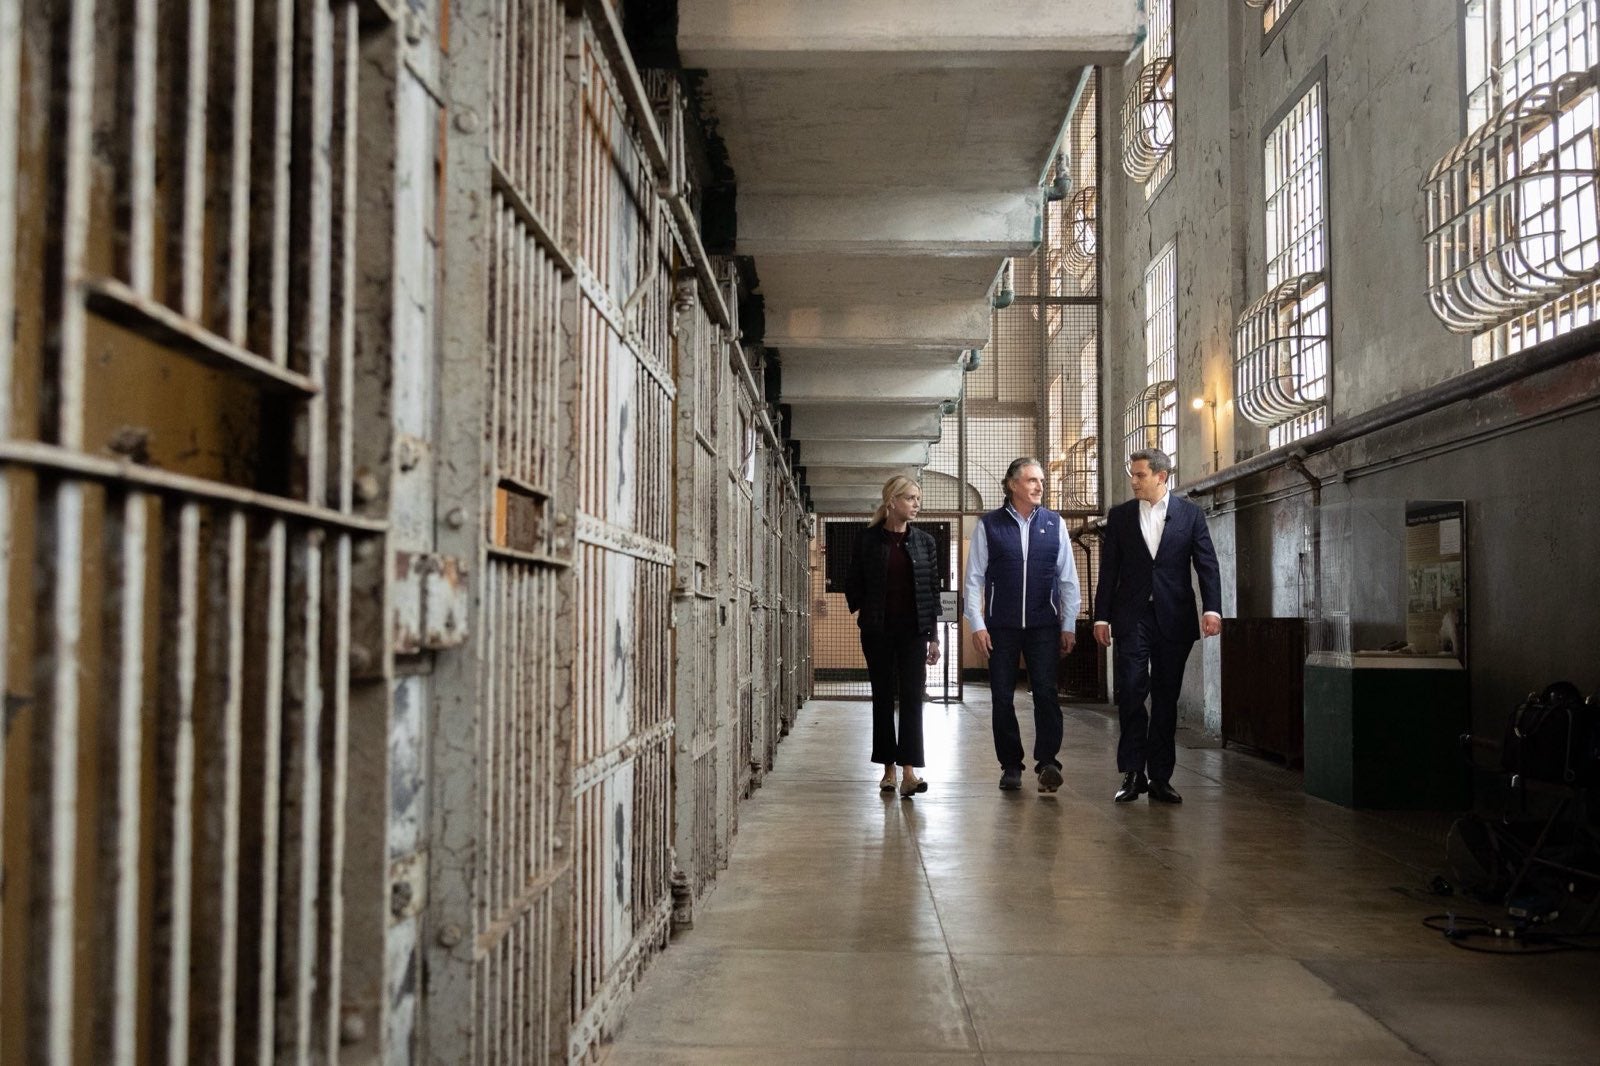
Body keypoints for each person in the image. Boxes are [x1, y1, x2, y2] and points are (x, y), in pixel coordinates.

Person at [1092, 448, 1222, 804]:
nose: (1133, 482)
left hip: (1174, 617)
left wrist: (1213, 609)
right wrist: (1101, 616)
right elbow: (1109, 572)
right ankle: (1133, 773)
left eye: (1140, 475)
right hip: (1132, 617)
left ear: (1162, 477)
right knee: (1132, 690)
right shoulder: (1119, 517)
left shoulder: (1190, 516)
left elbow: (1206, 564)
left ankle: (1161, 777)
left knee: (1166, 696)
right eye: (1132, 475)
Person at [963, 457, 1081, 793]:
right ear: (1012, 484)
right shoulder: (990, 526)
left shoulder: (1054, 524)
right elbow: (974, 581)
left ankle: (1048, 763)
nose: (1039, 486)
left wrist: (1068, 623)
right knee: (1002, 696)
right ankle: (1011, 766)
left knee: (1046, 692)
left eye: (1041, 480)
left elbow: (1068, 579)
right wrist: (978, 624)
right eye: (1031, 480)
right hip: (1000, 626)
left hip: (1044, 625)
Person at [845, 476, 942, 797]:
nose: (917, 504)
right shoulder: (868, 540)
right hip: (878, 632)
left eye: (918, 498)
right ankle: (888, 771)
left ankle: (909, 773)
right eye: (911, 498)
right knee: (883, 698)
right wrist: (865, 610)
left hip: (914, 633)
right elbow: (853, 581)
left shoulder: (925, 542)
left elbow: (931, 592)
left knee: (913, 699)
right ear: (892, 502)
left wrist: (933, 637)